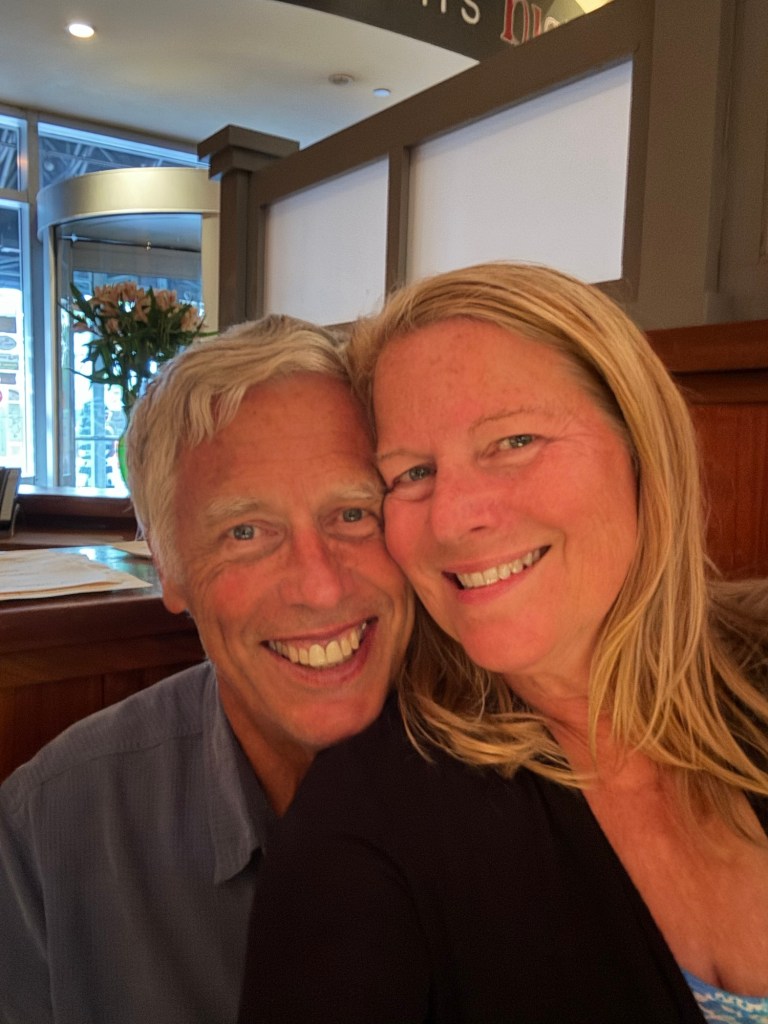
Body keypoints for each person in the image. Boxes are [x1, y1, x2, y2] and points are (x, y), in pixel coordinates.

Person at [238, 263, 768, 1023]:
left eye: (514, 441)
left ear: (640, 444)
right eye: (412, 473)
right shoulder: (360, 835)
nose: (454, 518)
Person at [0, 315, 413, 1024]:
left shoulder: (533, 793)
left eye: (353, 513)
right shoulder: (49, 832)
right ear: (169, 568)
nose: (319, 586)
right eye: (244, 532)